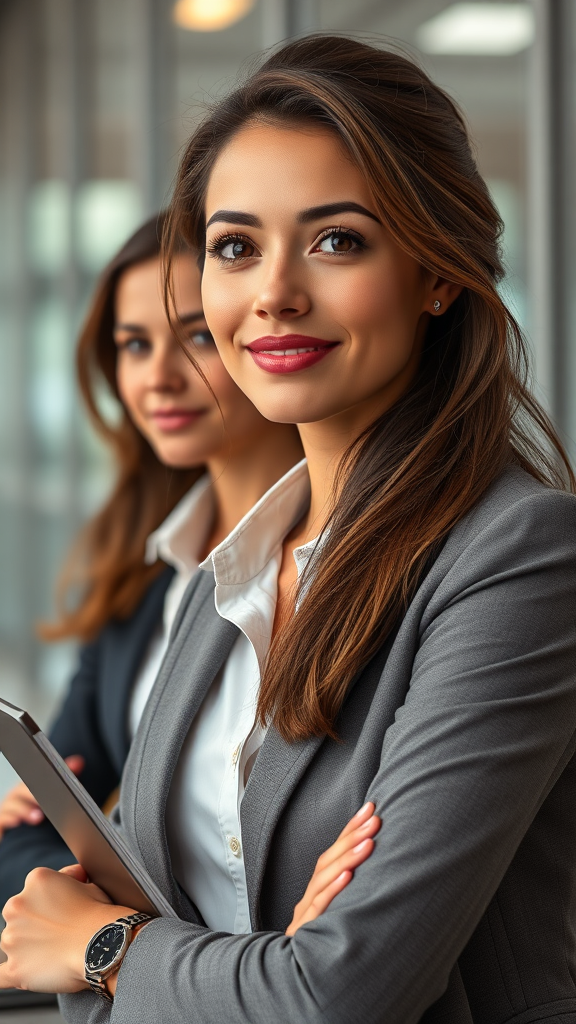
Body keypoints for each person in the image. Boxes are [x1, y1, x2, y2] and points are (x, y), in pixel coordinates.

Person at [2, 34, 576, 1024]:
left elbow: (341, 994)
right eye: (235, 246)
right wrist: (243, 960)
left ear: (437, 275)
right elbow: (156, 970)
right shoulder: (240, 560)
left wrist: (105, 947)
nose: (272, 291)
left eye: (338, 239)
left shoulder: (520, 557)